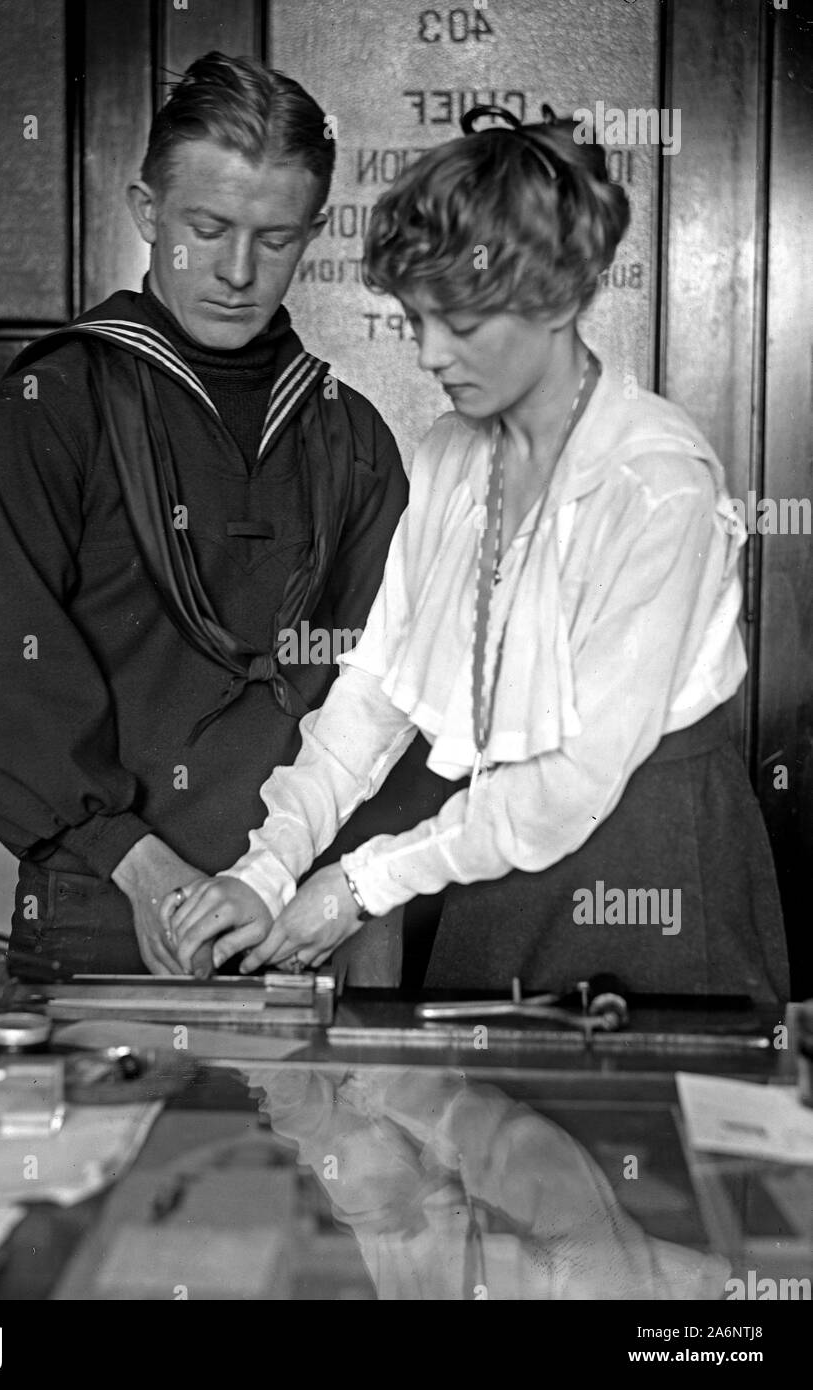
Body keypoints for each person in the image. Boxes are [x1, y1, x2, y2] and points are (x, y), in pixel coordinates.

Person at [168, 105, 791, 1002]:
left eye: (460, 320)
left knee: (638, 1131)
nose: (429, 353)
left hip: (654, 872)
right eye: (418, 319)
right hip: (487, 862)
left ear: (560, 298)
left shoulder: (657, 482)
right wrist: (266, 870)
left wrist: (354, 888)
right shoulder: (451, 455)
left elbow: (573, 784)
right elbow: (376, 693)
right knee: (484, 1125)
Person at [0, 51, 446, 983]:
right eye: (206, 229)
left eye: (276, 238)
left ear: (314, 232)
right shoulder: (57, 403)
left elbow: (404, 693)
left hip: (304, 922)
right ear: (145, 211)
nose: (239, 272)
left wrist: (324, 897)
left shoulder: (355, 438)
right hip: (104, 904)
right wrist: (147, 875)